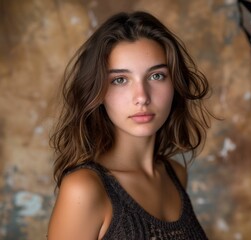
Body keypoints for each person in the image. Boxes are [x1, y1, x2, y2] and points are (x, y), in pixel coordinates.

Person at [47, 11, 213, 240]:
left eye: (156, 76)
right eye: (120, 80)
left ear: (175, 83)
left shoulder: (175, 174)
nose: (142, 97)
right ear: (97, 92)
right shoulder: (85, 188)